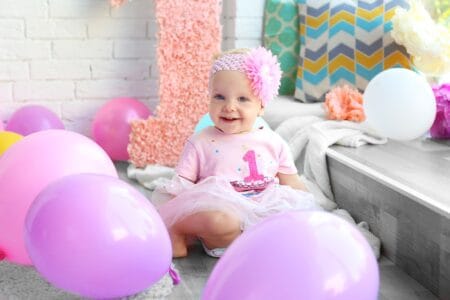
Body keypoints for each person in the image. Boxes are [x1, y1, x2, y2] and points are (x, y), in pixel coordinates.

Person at [156, 47, 320, 258]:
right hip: (223, 219)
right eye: (220, 97)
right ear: (209, 98)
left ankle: (262, 243)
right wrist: (169, 216)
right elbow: (180, 189)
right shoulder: (201, 142)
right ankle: (176, 229)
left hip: (262, 208)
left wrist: (309, 210)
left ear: (261, 106)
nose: (229, 106)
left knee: (289, 221)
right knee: (221, 221)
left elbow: (293, 183)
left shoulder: (273, 141)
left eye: (242, 99)